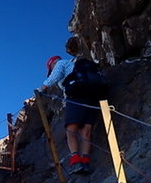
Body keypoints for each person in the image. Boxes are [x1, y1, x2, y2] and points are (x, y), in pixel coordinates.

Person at [39, 36, 103, 175]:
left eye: (51, 67)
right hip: (91, 97)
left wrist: (40, 89)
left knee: (71, 130)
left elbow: (54, 78)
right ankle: (85, 162)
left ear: (52, 64)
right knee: (86, 131)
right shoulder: (77, 65)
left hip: (76, 97)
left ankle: (76, 160)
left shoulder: (61, 64)